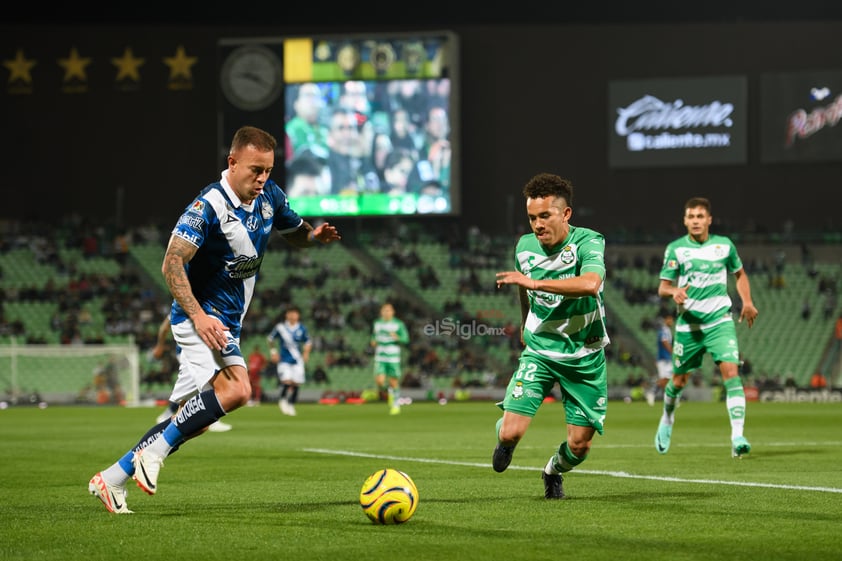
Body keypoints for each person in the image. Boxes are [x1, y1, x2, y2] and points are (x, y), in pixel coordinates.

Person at [88, 125, 341, 514]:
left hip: (226, 321)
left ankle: (111, 478)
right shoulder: (208, 206)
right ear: (232, 162)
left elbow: (295, 231)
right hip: (201, 320)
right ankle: (152, 454)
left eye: (268, 171)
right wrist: (200, 316)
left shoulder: (269, 196)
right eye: (255, 170)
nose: (262, 179)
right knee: (238, 390)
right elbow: (171, 262)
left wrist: (314, 236)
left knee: (195, 417)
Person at [492, 173, 610, 500]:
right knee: (511, 432)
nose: (537, 224)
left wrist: (535, 284)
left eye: (545, 216)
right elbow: (521, 286)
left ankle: (552, 470)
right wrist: (524, 323)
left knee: (580, 445)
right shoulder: (525, 246)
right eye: (532, 217)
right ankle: (503, 439)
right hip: (541, 352)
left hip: (584, 356)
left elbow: (590, 284)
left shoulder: (589, 241)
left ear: (566, 214)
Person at [654, 196, 758, 458]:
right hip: (689, 326)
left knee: (732, 373)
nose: (696, 221)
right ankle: (667, 418)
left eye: (700, 216)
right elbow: (663, 286)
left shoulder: (724, 246)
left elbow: (740, 274)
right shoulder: (676, 249)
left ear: (709, 219)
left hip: (719, 322)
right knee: (678, 381)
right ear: (685, 220)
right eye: (691, 217)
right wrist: (674, 291)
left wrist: (747, 301)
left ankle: (737, 436)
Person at [152, 315, 232, 432]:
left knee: (194, 387)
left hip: (199, 348)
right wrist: (160, 346)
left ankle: (168, 414)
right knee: (207, 381)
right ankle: (212, 421)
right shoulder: (185, 304)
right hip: (188, 349)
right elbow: (164, 327)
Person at [267, 306, 312, 416]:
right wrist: (273, 352)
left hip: (297, 360)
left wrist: (306, 353)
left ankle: (291, 404)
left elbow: (308, 342)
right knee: (286, 381)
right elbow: (270, 339)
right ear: (287, 315)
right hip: (284, 359)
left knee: (296, 383)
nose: (293, 315)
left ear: (298, 315)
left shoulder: (302, 328)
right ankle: (282, 400)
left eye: (295, 313)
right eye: (291, 313)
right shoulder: (281, 327)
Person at [370, 302, 410, 415]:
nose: (386, 313)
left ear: (393, 312)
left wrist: (397, 337)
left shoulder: (398, 324)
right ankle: (390, 393)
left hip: (393, 357)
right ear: (381, 312)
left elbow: (406, 339)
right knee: (379, 381)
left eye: (389, 310)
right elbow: (374, 336)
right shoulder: (377, 323)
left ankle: (396, 404)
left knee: (393, 381)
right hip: (380, 356)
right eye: (384, 310)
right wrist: (373, 341)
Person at [646, 313, 674, 407]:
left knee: (668, 379)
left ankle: (668, 398)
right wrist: (672, 352)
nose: (671, 321)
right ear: (665, 320)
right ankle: (652, 393)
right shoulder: (664, 330)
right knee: (664, 379)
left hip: (666, 359)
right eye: (669, 319)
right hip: (663, 359)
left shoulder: (667, 330)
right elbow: (664, 342)